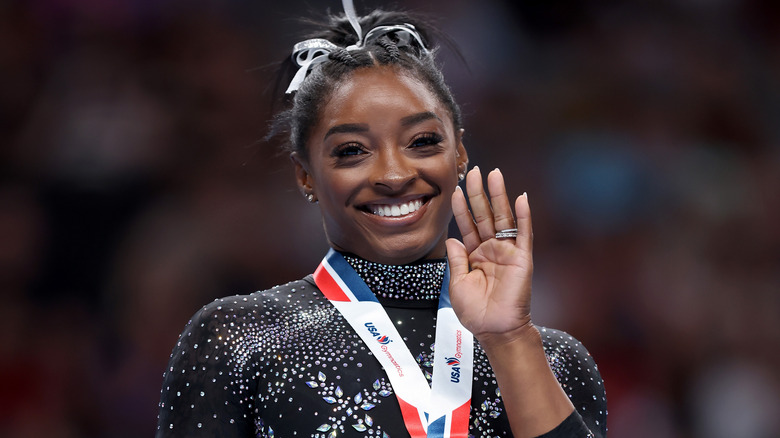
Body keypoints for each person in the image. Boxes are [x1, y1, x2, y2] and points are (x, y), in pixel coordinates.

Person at [156, 2, 607, 437]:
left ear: (460, 154)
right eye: (352, 150)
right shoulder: (240, 340)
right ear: (305, 175)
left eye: (423, 141)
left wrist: (510, 339)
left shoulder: (556, 360)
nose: (393, 175)